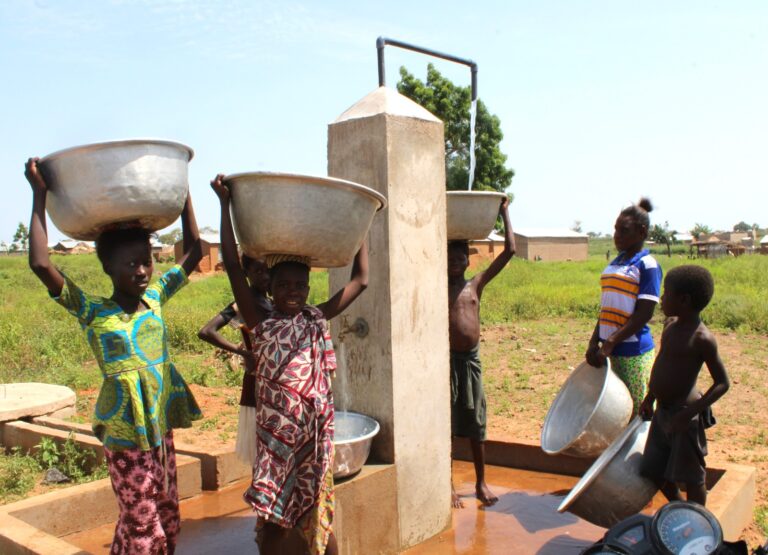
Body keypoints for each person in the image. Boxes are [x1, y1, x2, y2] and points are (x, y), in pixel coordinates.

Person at [24, 157, 203, 554]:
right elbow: (40, 263)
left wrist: (182, 190)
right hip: (125, 436)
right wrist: (38, 195)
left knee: (168, 519)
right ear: (107, 267)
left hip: (159, 430)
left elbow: (193, 254)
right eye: (131, 263)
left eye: (147, 261)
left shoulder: (155, 300)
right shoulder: (94, 312)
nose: (142, 271)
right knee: (142, 526)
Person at [211, 174, 368, 555]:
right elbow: (232, 265)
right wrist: (224, 205)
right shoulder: (262, 322)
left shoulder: (316, 317)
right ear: (271, 289)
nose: (292, 292)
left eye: (299, 286)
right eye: (284, 286)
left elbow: (362, 280)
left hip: (313, 442)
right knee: (271, 522)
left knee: (318, 519)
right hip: (275, 443)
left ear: (308, 290)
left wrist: (362, 224)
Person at [639, 265, 729, 506]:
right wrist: (649, 398)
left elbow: (722, 383)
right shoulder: (670, 325)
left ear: (684, 300)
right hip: (662, 412)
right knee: (653, 470)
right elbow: (662, 363)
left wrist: (690, 413)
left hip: (684, 417)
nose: (661, 298)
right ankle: (679, 507)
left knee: (692, 477)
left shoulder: (702, 339)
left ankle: (699, 521)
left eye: (666, 292)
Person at [448, 197, 514, 508]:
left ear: (468, 261)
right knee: (445, 424)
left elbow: (510, 251)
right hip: (445, 364)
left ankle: (480, 482)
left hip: (469, 362)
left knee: (476, 423)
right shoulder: (436, 285)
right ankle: (446, 484)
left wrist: (504, 212)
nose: (455, 262)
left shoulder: (474, 285)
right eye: (450, 257)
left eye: (461, 257)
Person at [585, 198, 662, 415]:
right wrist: (594, 341)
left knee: (638, 413)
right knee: (613, 412)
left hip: (632, 351)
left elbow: (644, 313)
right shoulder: (615, 263)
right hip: (609, 350)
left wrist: (611, 341)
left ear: (642, 232)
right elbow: (608, 308)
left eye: (623, 230)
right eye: (615, 229)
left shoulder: (647, 265)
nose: (616, 235)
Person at [198, 255, 271, 465]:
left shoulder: (271, 300)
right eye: (258, 271)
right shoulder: (243, 303)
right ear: (246, 274)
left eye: (268, 270)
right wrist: (243, 352)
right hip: (257, 379)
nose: (265, 276)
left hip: (276, 380)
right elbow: (207, 331)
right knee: (261, 449)